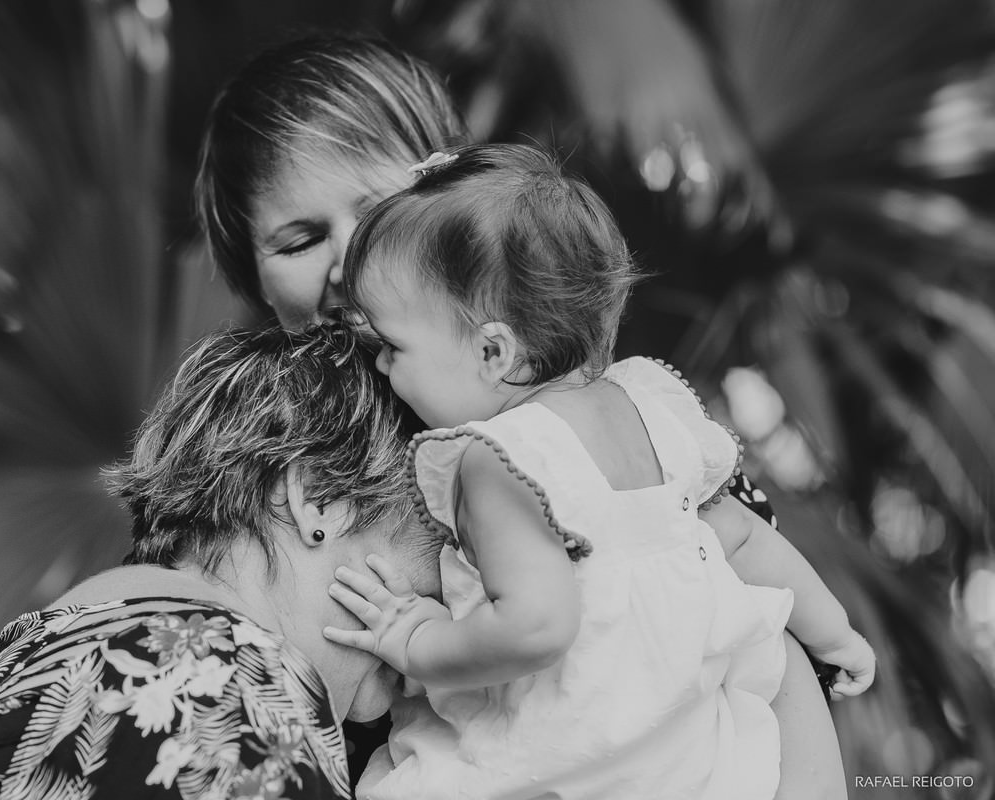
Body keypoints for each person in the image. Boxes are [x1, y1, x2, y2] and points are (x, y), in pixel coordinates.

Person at [193, 33, 848, 798]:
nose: (347, 265)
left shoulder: (594, 423)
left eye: (379, 214)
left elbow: (765, 634)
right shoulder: (253, 476)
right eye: (300, 240)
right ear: (254, 281)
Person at [320, 143, 871, 799]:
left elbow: (539, 624)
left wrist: (418, 640)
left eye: (391, 348)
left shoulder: (498, 460)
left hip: (571, 756)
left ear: (493, 351)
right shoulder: (653, 412)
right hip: (690, 763)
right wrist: (833, 630)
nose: (380, 368)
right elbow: (745, 538)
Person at [0, 322, 446, 800]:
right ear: (317, 497)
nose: (441, 631)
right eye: (429, 588)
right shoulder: (236, 695)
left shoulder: (11, 672)